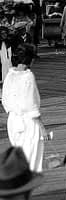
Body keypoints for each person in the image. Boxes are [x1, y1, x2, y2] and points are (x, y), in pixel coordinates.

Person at [2, 44, 48, 172]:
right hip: (28, 122)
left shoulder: (9, 75)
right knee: (31, 159)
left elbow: (5, 99)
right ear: (30, 59)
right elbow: (31, 103)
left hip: (12, 120)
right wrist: (42, 127)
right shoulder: (28, 76)